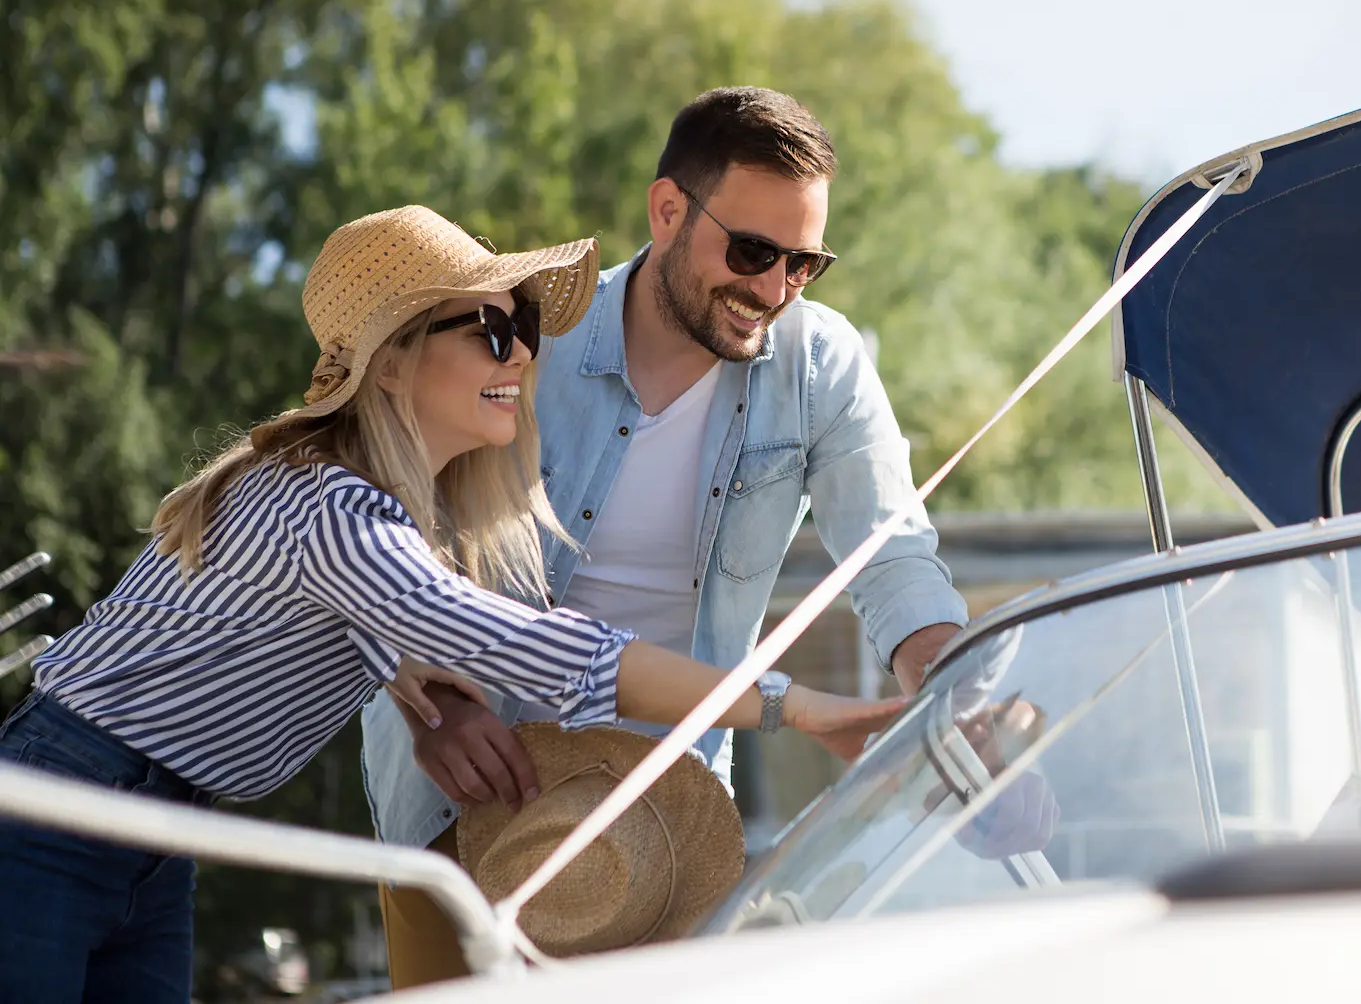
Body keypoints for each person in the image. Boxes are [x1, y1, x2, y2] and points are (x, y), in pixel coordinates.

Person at [0, 205, 898, 1004]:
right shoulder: (336, 512)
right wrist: (800, 708)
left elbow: (394, 629)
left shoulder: (376, 510)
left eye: (525, 328)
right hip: (62, 808)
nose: (521, 354)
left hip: (145, 824)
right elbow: (546, 651)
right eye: (489, 330)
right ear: (393, 363)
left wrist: (430, 700)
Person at [362, 87, 974, 986]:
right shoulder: (527, 342)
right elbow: (383, 529)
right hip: (463, 788)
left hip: (665, 826)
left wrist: (953, 701)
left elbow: (893, 559)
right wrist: (433, 705)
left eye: (805, 264)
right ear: (668, 209)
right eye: (754, 251)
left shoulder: (825, 366)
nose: (773, 289)